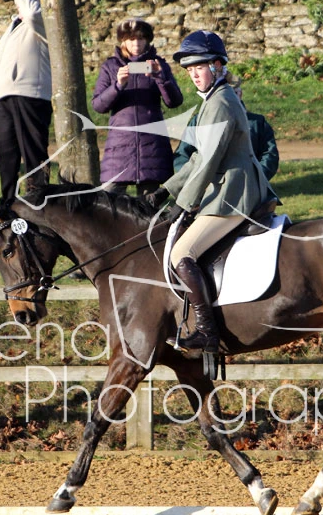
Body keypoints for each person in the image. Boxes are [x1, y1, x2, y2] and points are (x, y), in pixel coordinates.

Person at [144, 30, 276, 353]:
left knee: (181, 254)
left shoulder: (221, 103)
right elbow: (197, 157)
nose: (193, 75)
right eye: (189, 70)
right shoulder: (213, 100)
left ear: (217, 66)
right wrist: (166, 190)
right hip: (228, 189)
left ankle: (207, 332)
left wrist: (183, 203)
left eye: (199, 68)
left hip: (235, 195)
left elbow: (208, 161)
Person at [91, 18, 183, 196]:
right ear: (123, 41)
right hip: (119, 148)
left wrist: (160, 78)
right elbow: (98, 106)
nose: (136, 43)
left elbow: (175, 101)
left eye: (141, 38)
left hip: (152, 147)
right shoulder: (110, 66)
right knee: (107, 202)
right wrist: (118, 85)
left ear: (147, 40)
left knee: (148, 207)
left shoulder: (159, 64)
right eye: (131, 39)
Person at [0, 0, 52, 206]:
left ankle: (38, 200)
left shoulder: (45, 22)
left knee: (33, 151)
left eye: (24, 0)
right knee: (6, 154)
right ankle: (8, 202)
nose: (17, 4)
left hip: (30, 95)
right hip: (5, 97)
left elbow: (33, 14)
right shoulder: (14, 24)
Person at [173, 77, 279, 181]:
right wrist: (196, 181)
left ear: (240, 94)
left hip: (247, 184)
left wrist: (256, 179)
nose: (228, 99)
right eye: (222, 95)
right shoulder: (198, 122)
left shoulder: (257, 123)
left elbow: (270, 155)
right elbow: (182, 155)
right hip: (207, 185)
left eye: (233, 93)